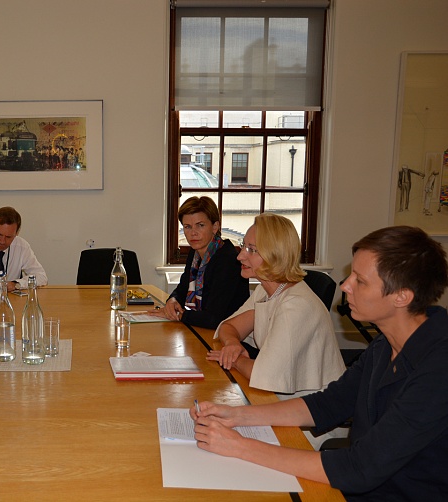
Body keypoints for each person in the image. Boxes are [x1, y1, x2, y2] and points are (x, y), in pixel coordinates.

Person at [191, 226, 448, 500]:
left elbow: (359, 468)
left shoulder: (438, 370)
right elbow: (328, 404)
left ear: (402, 296)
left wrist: (240, 446)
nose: (345, 285)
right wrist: (236, 415)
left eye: (360, 281)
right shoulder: (385, 345)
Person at [207, 213, 345, 398]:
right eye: (243, 246)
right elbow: (228, 327)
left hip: (314, 405)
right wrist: (232, 344)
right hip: (282, 394)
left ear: (275, 255)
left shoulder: (296, 306)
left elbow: (262, 375)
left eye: (251, 250)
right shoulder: (266, 290)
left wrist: (235, 359)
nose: (240, 256)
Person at [149, 196, 248, 329]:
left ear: (215, 227)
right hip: (203, 330)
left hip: (228, 333)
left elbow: (214, 318)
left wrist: (179, 315)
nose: (193, 233)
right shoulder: (195, 254)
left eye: (200, 225)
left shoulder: (229, 260)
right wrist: (172, 301)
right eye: (187, 227)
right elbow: (182, 288)